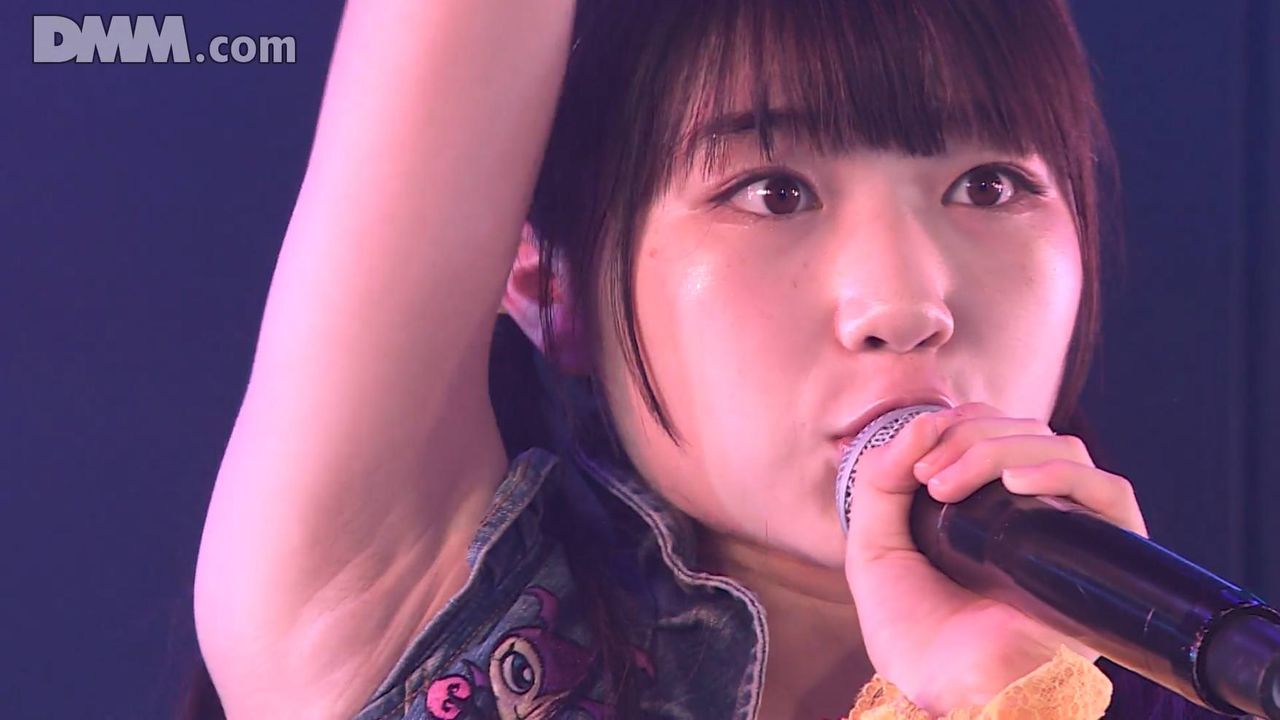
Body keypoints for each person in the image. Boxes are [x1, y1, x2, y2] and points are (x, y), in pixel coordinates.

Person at [190, 0, 1238, 718]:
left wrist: (1002, 692)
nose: (905, 307)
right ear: (551, 287)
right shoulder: (395, 612)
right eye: (773, 193)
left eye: (989, 186)